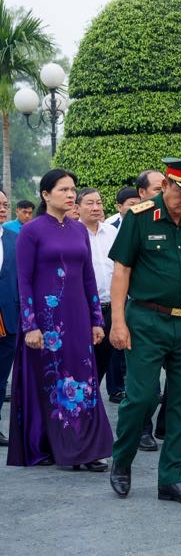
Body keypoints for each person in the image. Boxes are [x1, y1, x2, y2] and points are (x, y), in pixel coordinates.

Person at [107, 157, 181, 504]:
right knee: (142, 397)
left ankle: (172, 479)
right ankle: (123, 461)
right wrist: (118, 321)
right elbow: (122, 271)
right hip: (146, 320)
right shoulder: (140, 217)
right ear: (167, 186)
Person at [6, 169, 113, 471]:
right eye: (64, 189)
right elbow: (23, 280)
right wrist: (30, 325)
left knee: (85, 382)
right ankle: (58, 447)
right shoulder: (32, 231)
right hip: (47, 323)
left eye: (72, 189)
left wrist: (96, 321)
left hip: (78, 319)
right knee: (53, 382)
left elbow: (89, 278)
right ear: (45, 195)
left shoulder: (79, 230)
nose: (70, 195)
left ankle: (86, 448)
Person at [77, 188, 124, 401]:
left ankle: (91, 411)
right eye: (89, 203)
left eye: (99, 202)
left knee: (101, 366)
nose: (96, 207)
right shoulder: (71, 233)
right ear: (77, 207)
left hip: (110, 308)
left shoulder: (113, 233)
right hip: (82, 310)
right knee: (80, 367)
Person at [0, 189, 18, 446]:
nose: (2, 209)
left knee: (1, 377)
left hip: (9, 317)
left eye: (4, 204)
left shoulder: (15, 238)